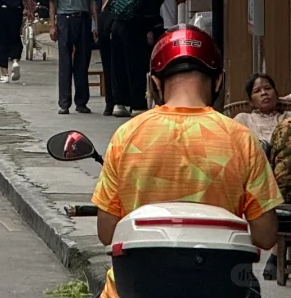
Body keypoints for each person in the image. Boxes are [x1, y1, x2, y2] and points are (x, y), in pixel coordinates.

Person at [92, 27, 281, 298]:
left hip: (133, 289)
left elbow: (107, 232)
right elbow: (265, 235)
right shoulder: (241, 139)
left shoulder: (127, 136)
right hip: (221, 288)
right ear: (218, 82)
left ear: (155, 83)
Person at [47, 0, 98, 115]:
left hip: (83, 20)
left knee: (83, 62)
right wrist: (52, 24)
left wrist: (95, 24)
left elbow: (92, 2)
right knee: (65, 63)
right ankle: (64, 102)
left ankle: (82, 102)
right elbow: (52, 1)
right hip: (65, 20)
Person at [237, 73, 284, 152]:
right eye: (257, 91)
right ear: (251, 101)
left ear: (276, 94)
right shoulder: (243, 120)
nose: (263, 93)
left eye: (268, 88)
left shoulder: (287, 117)